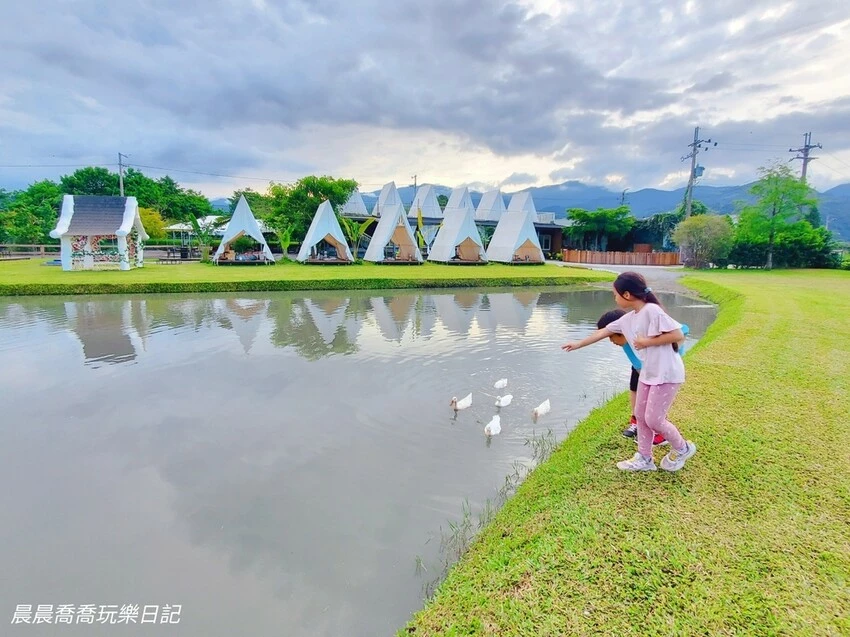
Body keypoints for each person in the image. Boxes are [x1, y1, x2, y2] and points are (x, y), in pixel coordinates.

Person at [563, 272, 697, 472]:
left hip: (667, 374)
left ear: (626, 294)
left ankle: (683, 448)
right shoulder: (627, 319)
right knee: (640, 416)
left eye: (615, 294)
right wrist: (577, 344)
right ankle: (644, 458)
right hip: (648, 375)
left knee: (654, 419)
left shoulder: (652, 311)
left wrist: (647, 342)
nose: (614, 299)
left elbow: (677, 334)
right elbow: (603, 332)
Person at [596, 309, 667, 447]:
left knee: (653, 400)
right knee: (634, 390)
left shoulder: (638, 338)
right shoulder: (624, 341)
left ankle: (660, 432)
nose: (611, 341)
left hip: (652, 369)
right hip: (637, 367)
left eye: (611, 337)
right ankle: (636, 422)